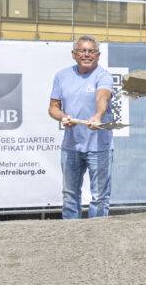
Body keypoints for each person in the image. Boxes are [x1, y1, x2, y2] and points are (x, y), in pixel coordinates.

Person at [48, 35, 114, 219]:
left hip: (99, 147)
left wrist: (98, 115)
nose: (86, 54)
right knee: (69, 195)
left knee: (100, 197)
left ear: (98, 55)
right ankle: (71, 238)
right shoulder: (61, 76)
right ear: (74, 54)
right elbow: (53, 107)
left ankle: (98, 237)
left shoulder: (104, 76)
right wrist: (62, 117)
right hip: (71, 146)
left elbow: (103, 97)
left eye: (91, 51)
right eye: (82, 51)